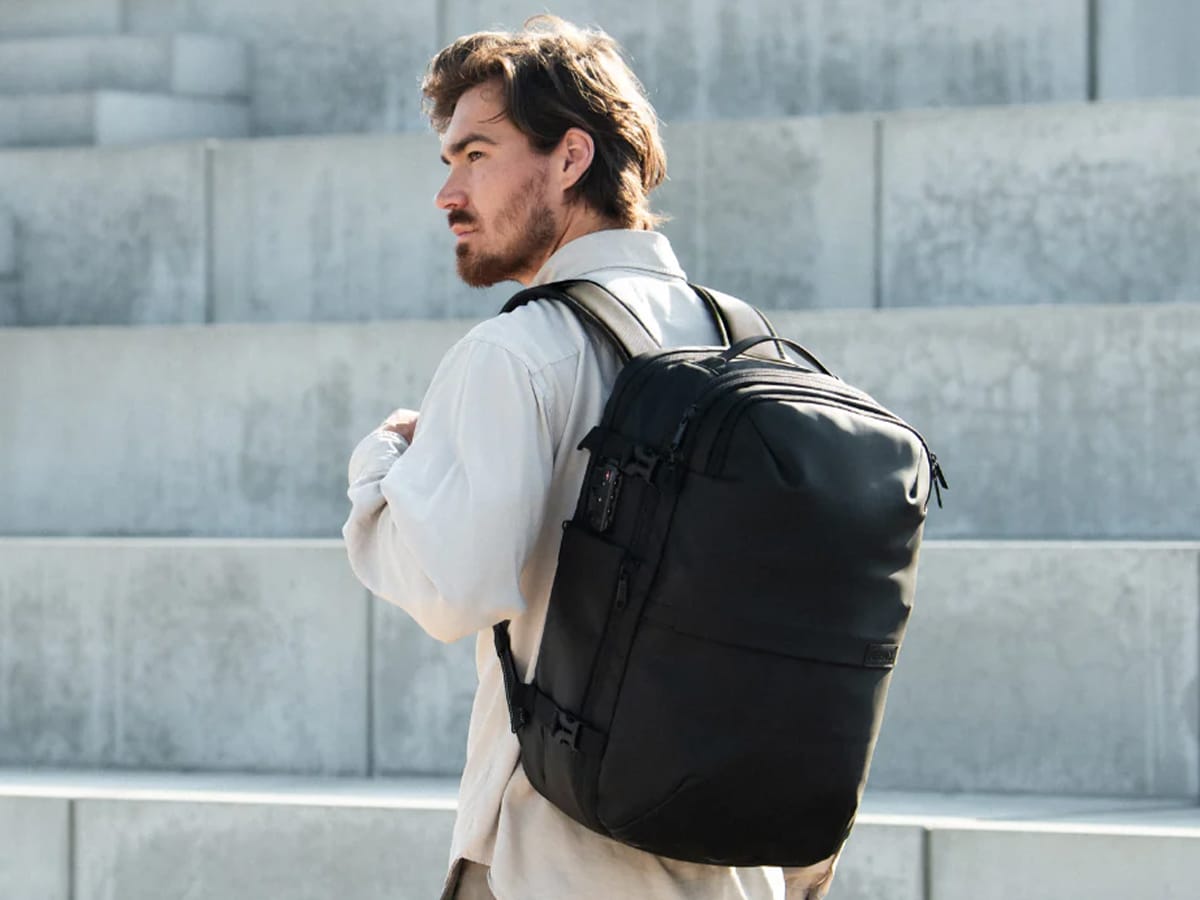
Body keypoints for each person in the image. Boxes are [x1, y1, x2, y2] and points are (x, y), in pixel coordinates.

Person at [342, 16, 840, 900]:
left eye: (477, 154)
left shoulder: (519, 352)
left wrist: (383, 468)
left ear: (571, 159)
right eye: (447, 160)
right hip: (737, 855)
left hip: (559, 854)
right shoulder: (747, 342)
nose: (448, 192)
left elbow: (454, 589)